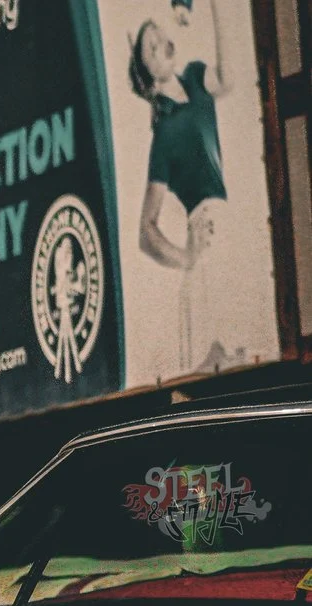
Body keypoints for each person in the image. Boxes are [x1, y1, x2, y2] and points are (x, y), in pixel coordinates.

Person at [128, 0, 247, 373]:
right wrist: (187, 258)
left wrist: (216, 7)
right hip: (206, 229)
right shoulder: (163, 133)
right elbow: (146, 231)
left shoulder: (195, 77)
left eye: (158, 35)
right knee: (216, 365)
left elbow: (228, 78)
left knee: (240, 356)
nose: (159, 42)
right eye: (150, 47)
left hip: (227, 226)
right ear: (149, 75)